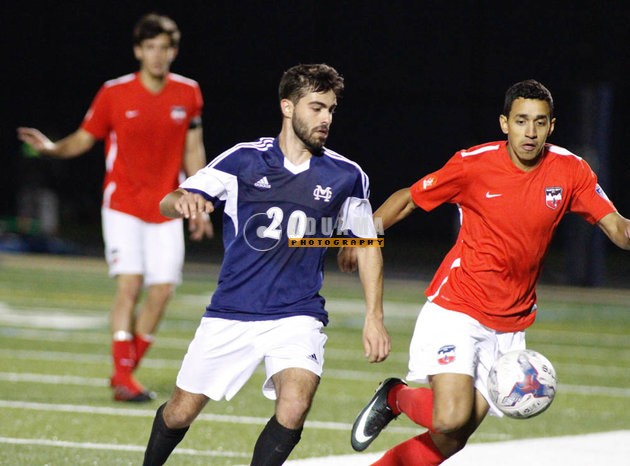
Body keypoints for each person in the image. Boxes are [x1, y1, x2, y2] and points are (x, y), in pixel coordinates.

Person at [346, 79, 630, 465]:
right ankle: (395, 397)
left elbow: (618, 230)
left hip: (510, 323)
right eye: (521, 121)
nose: (530, 132)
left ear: (552, 126)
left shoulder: (570, 170)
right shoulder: (473, 164)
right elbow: (409, 199)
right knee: (450, 417)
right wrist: (362, 235)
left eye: (540, 122)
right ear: (504, 123)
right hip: (458, 307)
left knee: (452, 438)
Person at [141, 63, 391, 466]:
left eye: (330, 109)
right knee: (180, 412)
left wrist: (374, 316)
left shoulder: (347, 175)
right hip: (232, 311)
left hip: (297, 313)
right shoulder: (243, 159)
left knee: (295, 404)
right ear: (287, 107)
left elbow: (366, 244)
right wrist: (183, 201)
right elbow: (168, 202)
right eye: (316, 108)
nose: (326, 119)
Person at [17, 13, 213, 402]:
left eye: (164, 48)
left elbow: (193, 150)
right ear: (138, 51)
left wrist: (201, 203)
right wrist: (52, 149)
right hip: (122, 205)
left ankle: (124, 372)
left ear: (174, 52)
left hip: (167, 207)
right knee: (130, 285)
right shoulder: (114, 92)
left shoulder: (188, 93)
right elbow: (84, 138)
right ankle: (124, 377)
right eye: (150, 47)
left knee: (162, 291)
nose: (157, 55)